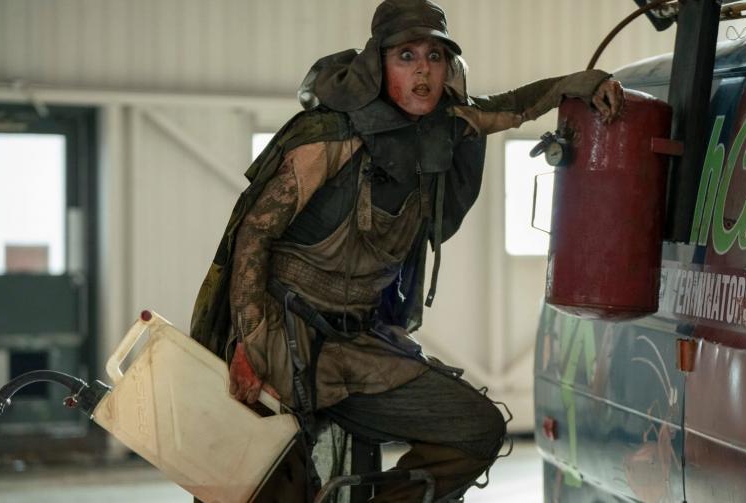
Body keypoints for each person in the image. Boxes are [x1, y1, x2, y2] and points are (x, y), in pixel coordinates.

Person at [190, 0, 624, 501]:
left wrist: (583, 82)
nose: (423, 71)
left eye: (435, 56)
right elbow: (254, 236)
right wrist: (250, 344)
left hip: (358, 344)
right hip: (278, 335)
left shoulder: (447, 126)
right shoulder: (331, 137)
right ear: (377, 64)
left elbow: (515, 105)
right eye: (407, 56)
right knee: (263, 485)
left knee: (475, 429)